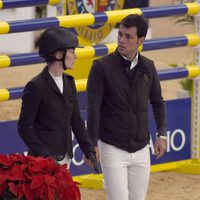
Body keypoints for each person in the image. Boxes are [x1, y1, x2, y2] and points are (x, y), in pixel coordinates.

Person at [87, 14, 167, 200]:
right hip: (112, 148)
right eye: (120, 35)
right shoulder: (100, 67)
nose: (122, 40)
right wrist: (91, 144)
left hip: (141, 149)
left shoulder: (149, 66)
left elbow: (158, 102)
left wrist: (162, 134)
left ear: (140, 40)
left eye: (128, 37)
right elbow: (93, 109)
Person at [18, 27, 96, 168]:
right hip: (42, 163)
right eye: (72, 52)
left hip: (66, 158)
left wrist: (88, 149)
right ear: (59, 54)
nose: (75, 56)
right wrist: (44, 155)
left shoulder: (69, 82)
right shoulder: (35, 86)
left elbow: (76, 120)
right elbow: (24, 127)